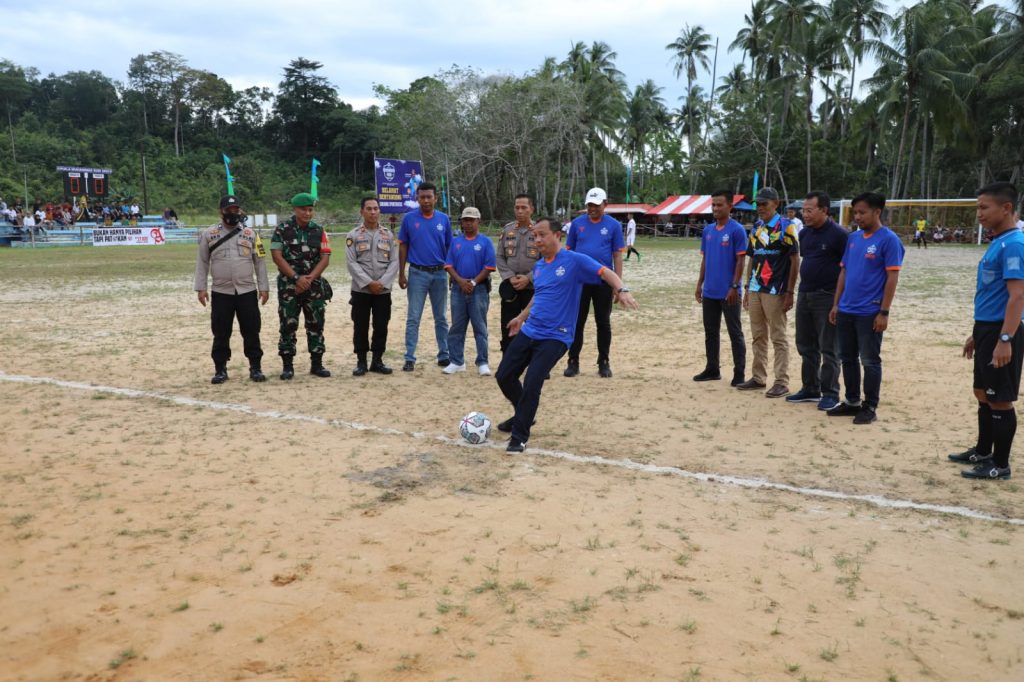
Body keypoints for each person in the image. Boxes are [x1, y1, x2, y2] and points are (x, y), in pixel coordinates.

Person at [496, 217, 639, 452]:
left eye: (542, 235)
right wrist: (521, 318)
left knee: (533, 382)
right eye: (535, 236)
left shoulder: (574, 261)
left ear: (557, 236)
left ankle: (519, 436)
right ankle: (523, 414)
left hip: (556, 336)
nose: (538, 240)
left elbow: (606, 272)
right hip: (531, 330)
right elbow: (539, 295)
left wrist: (621, 289)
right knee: (504, 376)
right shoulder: (540, 266)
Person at [950, 182, 1023, 480]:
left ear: (1005, 208)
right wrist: (976, 333)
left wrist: (1005, 338)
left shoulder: (1014, 244)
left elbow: (1018, 296)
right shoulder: (999, 240)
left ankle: (1000, 465)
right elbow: (992, 295)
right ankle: (983, 451)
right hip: (987, 328)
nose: (978, 213)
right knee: (982, 391)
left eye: (984, 207)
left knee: (999, 397)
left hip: (1001, 331)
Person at [827, 192, 904, 424]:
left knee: (869, 360)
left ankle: (870, 406)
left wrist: (884, 311)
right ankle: (852, 401)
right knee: (847, 357)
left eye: (862, 212)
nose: (857, 217)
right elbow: (844, 271)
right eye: (855, 212)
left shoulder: (889, 240)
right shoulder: (853, 239)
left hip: (869, 311)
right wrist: (836, 304)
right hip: (846, 309)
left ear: (877, 212)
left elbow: (892, 278)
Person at [193, 195, 269, 384]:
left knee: (251, 330)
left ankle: (255, 368)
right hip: (221, 292)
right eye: (229, 209)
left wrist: (264, 287)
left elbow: (260, 262)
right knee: (220, 332)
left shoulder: (251, 234)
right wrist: (201, 288)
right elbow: (202, 262)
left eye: (236, 209)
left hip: (247, 291)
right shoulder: (209, 234)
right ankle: (220, 369)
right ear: (221, 211)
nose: (233, 213)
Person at [787, 191, 849, 410]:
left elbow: (847, 269)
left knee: (829, 347)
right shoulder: (804, 234)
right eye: (803, 210)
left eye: (809, 210)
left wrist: (838, 302)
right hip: (805, 293)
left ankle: (830, 392)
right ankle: (810, 388)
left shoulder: (840, 235)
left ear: (824, 210)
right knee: (805, 344)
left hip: (827, 295)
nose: (805, 214)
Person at [737, 187, 800, 398]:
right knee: (758, 335)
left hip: (776, 290)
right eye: (758, 204)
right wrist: (747, 287)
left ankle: (781, 381)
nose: (760, 208)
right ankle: (758, 377)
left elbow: (794, 260)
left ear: (776, 203)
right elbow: (752, 258)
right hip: (756, 288)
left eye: (764, 203)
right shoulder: (756, 227)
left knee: (778, 336)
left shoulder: (787, 227)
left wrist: (790, 291)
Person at [270, 192, 333, 380]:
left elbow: (325, 257)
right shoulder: (282, 229)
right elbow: (276, 255)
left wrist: (310, 278)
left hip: (313, 286)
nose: (307, 213)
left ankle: (317, 364)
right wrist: (297, 278)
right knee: (288, 324)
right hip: (289, 287)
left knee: (316, 324)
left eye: (310, 209)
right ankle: (288, 366)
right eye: (303, 209)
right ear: (295, 209)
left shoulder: (319, 230)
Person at [564, 187, 625, 378]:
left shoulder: (614, 225)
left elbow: (617, 255)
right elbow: (568, 252)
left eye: (596, 205)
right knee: (577, 322)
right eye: (590, 205)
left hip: (603, 281)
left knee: (603, 322)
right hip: (580, 281)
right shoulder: (576, 224)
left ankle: (604, 362)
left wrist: (618, 285)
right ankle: (573, 361)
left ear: (605, 204)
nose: (592, 208)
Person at [694, 190, 747, 385]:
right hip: (710, 291)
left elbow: (741, 260)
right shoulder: (707, 230)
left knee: (735, 332)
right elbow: (705, 259)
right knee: (711, 331)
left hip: (729, 292)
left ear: (729, 206)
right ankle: (712, 369)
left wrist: (734, 286)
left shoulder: (737, 230)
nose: (715, 208)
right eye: (713, 205)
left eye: (719, 205)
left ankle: (739, 373)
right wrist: (700, 284)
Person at [397, 182, 452, 372]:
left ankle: (444, 354)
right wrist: (401, 272)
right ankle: (409, 357)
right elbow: (403, 245)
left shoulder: (444, 219)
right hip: (417, 273)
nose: (426, 200)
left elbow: (449, 248)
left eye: (429, 197)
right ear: (417, 198)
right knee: (413, 317)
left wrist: (452, 274)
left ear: (436, 198)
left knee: (441, 318)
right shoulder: (409, 219)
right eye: (422, 197)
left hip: (439, 274)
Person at [346, 196, 399, 376]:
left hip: (383, 290)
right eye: (369, 209)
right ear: (362, 212)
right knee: (360, 325)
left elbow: (394, 262)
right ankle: (361, 361)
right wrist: (369, 283)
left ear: (379, 211)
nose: (373, 212)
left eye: (376, 208)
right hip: (361, 290)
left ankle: (377, 360)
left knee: (381, 325)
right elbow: (351, 263)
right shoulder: (353, 235)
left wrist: (382, 283)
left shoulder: (388, 235)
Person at [443, 207, 496, 375]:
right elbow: (449, 265)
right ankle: (457, 361)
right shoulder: (456, 242)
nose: (468, 223)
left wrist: (473, 282)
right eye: (465, 220)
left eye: (472, 220)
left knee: (480, 326)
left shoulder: (486, 242)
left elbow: (489, 267)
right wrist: (460, 281)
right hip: (458, 289)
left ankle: (482, 362)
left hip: (479, 289)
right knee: (457, 327)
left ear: (478, 221)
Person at [496, 194, 539, 354]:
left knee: (533, 326)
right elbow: (500, 256)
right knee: (507, 325)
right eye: (517, 207)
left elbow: (545, 260)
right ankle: (508, 360)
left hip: (532, 289)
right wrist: (510, 277)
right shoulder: (507, 230)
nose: (520, 211)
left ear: (531, 210)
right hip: (511, 287)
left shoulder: (538, 231)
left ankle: (535, 362)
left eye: (524, 208)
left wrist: (528, 278)